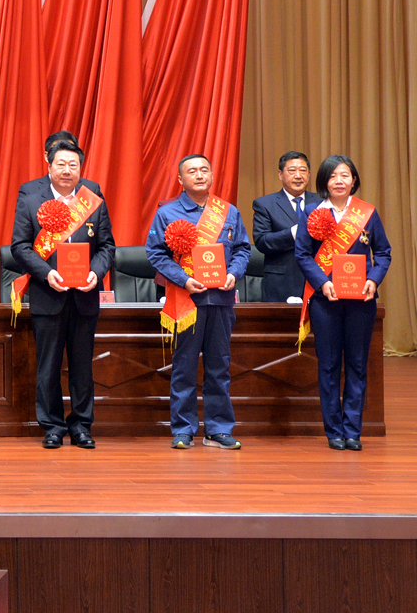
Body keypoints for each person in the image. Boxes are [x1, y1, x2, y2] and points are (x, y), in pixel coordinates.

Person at [11, 141, 115, 449]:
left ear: (80, 169)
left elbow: (107, 246)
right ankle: (52, 426)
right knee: (48, 367)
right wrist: (46, 273)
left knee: (82, 366)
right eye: (61, 164)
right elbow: (20, 247)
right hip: (48, 296)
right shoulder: (32, 201)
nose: (67, 170)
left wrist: (96, 273)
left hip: (84, 297)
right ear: (49, 166)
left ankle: (81, 425)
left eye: (73, 165)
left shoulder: (93, 201)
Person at [145, 154, 251, 450]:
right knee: (184, 367)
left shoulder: (228, 211)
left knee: (219, 366)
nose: (200, 175)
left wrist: (234, 273)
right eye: (192, 171)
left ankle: (218, 429)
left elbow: (243, 249)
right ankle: (183, 429)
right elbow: (155, 253)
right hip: (186, 300)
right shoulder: (167, 213)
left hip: (220, 300)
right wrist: (182, 279)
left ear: (212, 176)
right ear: (181, 179)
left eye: (205, 170)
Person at [294, 155, 392, 451]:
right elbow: (302, 254)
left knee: (357, 364)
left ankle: (352, 430)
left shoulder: (367, 213)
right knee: (329, 365)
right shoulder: (312, 212)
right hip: (326, 300)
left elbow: (383, 252)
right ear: (324, 181)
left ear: (354, 180)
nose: (339, 181)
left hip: (361, 301)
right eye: (333, 176)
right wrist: (322, 283)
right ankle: (334, 430)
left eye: (345, 175)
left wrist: (373, 279)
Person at [252, 151, 313, 303]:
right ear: (280, 174)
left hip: (316, 281)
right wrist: (293, 233)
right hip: (281, 285)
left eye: (303, 170)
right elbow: (262, 241)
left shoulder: (321, 202)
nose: (298, 176)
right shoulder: (265, 204)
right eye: (292, 170)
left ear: (309, 174)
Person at [16, 131, 105, 202]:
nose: (64, 153)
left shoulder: (91, 190)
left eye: (69, 148)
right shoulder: (29, 190)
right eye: (56, 149)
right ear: (47, 156)